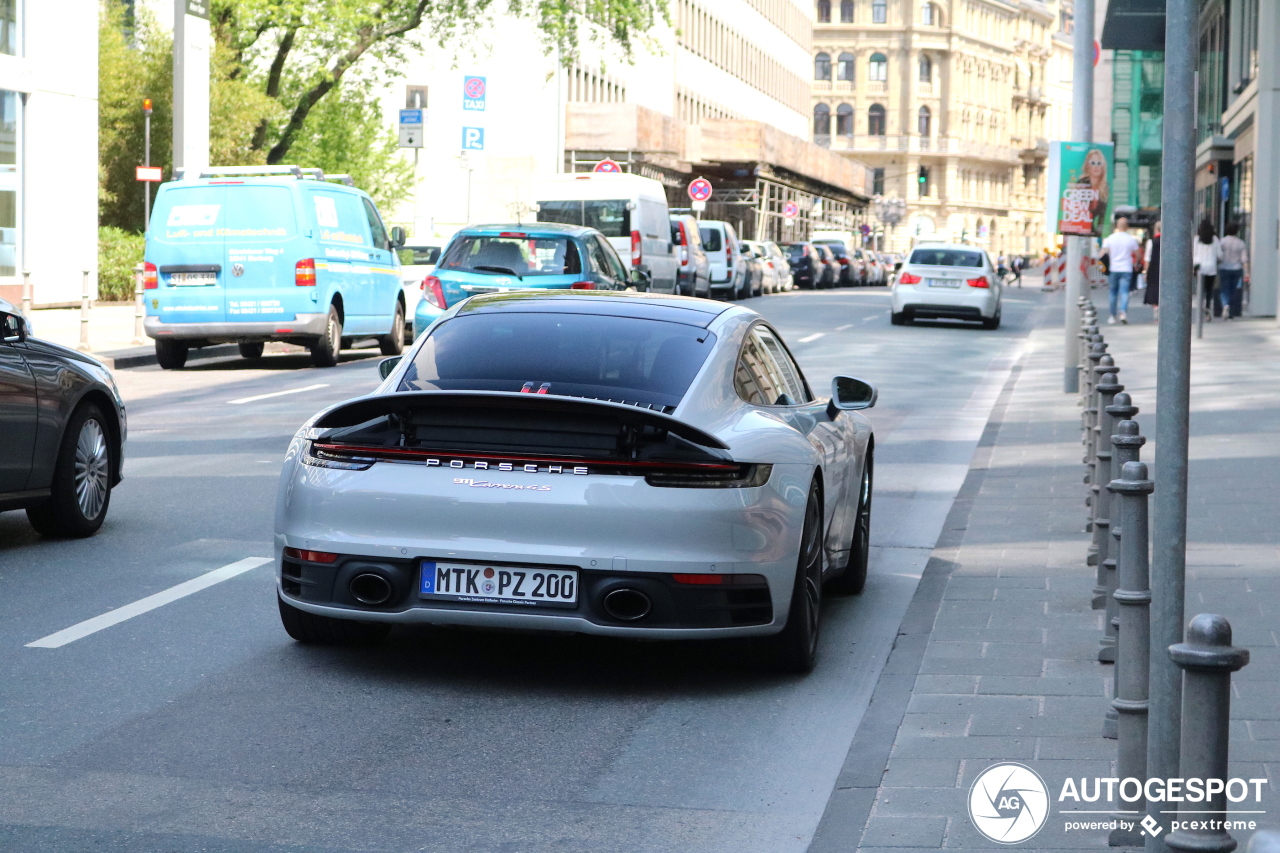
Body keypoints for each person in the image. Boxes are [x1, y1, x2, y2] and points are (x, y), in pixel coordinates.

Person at [1099, 216, 1140, 324]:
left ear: (1117, 226)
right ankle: (1123, 313)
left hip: (1113, 269)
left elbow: (1102, 253)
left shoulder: (1110, 238)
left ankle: (1112, 316)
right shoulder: (1131, 239)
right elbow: (1138, 254)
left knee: (1113, 292)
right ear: (1127, 227)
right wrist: (1136, 262)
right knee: (1125, 292)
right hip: (1126, 268)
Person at [1217, 221, 1249, 320]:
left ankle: (1225, 304)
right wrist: (1247, 272)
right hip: (1237, 268)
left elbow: (1218, 256)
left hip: (1224, 267)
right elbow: (1244, 259)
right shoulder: (1240, 243)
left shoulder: (1222, 242)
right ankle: (1231, 311)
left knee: (1224, 289)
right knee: (1233, 289)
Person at [1193, 218, 1221, 321]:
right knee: (1209, 291)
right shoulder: (1215, 239)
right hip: (1211, 267)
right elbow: (1219, 255)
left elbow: (1194, 253)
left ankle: (1201, 309)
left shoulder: (1197, 239)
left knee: (1200, 290)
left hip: (1200, 267)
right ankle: (1207, 309)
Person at [1143, 220, 1161, 321]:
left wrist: (1145, 272)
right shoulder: (1169, 242)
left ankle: (1156, 308)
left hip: (1153, 269)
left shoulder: (1151, 242)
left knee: (1154, 289)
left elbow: (1147, 259)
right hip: (1165, 268)